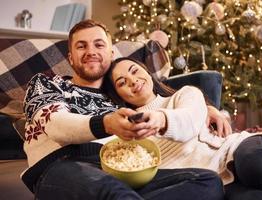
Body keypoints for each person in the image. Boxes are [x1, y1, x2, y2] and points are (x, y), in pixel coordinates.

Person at [21, 19, 225, 199]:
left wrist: (207, 109)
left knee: (207, 182)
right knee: (114, 193)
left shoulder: (120, 97)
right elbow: (56, 124)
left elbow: (160, 100)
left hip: (120, 171)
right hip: (61, 166)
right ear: (71, 57)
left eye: (98, 45)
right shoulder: (47, 84)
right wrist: (106, 123)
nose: (91, 51)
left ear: (110, 54)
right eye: (81, 46)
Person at [104, 56, 262, 200]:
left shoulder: (186, 94)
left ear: (147, 72)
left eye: (134, 71)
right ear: (119, 95)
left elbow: (189, 120)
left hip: (235, 149)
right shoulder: (128, 132)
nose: (132, 81)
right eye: (122, 83)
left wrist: (160, 120)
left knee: (253, 163)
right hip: (214, 179)